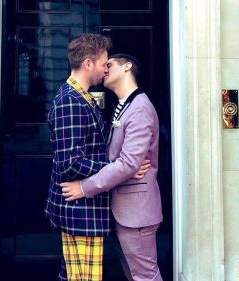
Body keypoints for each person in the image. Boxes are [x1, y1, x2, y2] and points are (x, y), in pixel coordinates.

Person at [60, 54, 163, 281]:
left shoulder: (140, 108)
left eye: (110, 64)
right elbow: (124, 163)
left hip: (136, 213)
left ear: (127, 67)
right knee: (133, 274)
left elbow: (128, 162)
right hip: (122, 209)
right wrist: (124, 166)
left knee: (145, 276)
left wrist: (84, 187)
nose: (104, 70)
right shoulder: (125, 106)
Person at [45, 33, 112, 281]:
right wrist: (116, 168)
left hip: (85, 208)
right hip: (79, 210)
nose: (107, 69)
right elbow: (70, 163)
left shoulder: (81, 98)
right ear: (88, 63)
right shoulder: (70, 102)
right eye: (104, 63)